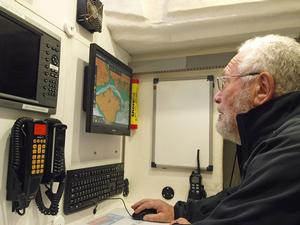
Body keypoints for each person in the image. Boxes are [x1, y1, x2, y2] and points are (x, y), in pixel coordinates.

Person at [131, 34, 300, 225]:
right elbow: (241, 196)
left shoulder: (291, 151)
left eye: (225, 82)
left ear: (261, 88)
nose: (217, 97)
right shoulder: (279, 143)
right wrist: (178, 211)